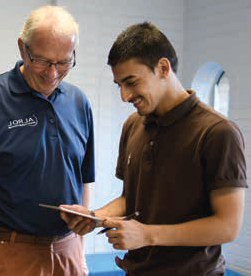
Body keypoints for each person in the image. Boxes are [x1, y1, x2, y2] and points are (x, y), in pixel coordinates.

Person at [61, 22, 247, 275]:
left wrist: (147, 235)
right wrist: (95, 217)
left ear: (163, 68)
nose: (124, 96)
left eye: (131, 82)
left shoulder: (218, 132)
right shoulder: (133, 125)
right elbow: (133, 199)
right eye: (119, 85)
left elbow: (227, 226)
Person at [0, 5, 94, 276]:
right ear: (22, 48)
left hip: (69, 251)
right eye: (41, 60)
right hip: (11, 251)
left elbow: (83, 178)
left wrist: (80, 249)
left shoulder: (79, 102)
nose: (52, 73)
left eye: (63, 62)